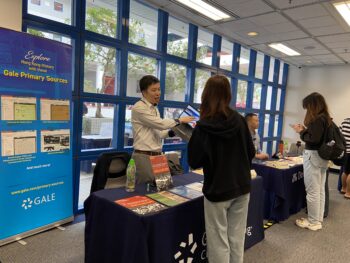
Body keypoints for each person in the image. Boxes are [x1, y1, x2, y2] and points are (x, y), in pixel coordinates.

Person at [188, 75, 255, 263]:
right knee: (236, 238)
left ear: (206, 96)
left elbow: (194, 161)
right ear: (228, 94)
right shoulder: (241, 121)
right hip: (241, 186)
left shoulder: (202, 127)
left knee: (218, 242)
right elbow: (250, 152)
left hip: (217, 190)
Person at [131, 75, 194, 183]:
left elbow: (159, 133)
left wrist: (173, 131)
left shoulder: (154, 109)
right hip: (144, 157)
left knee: (164, 190)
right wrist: (180, 120)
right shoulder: (139, 107)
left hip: (158, 156)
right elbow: (160, 124)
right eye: (154, 90)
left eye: (159, 89)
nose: (158, 93)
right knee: (146, 193)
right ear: (144, 92)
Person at [292, 92, 331, 231]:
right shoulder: (326, 118)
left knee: (312, 191)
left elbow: (312, 139)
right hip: (321, 157)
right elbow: (317, 136)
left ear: (312, 105)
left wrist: (301, 132)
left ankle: (313, 222)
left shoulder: (317, 119)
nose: (307, 111)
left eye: (307, 107)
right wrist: (305, 131)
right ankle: (318, 218)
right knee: (319, 189)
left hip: (313, 156)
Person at [340, 117, 350, 199]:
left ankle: (343, 188)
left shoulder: (345, 121)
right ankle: (348, 193)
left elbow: (339, 134)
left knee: (345, 171)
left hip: (345, 151)